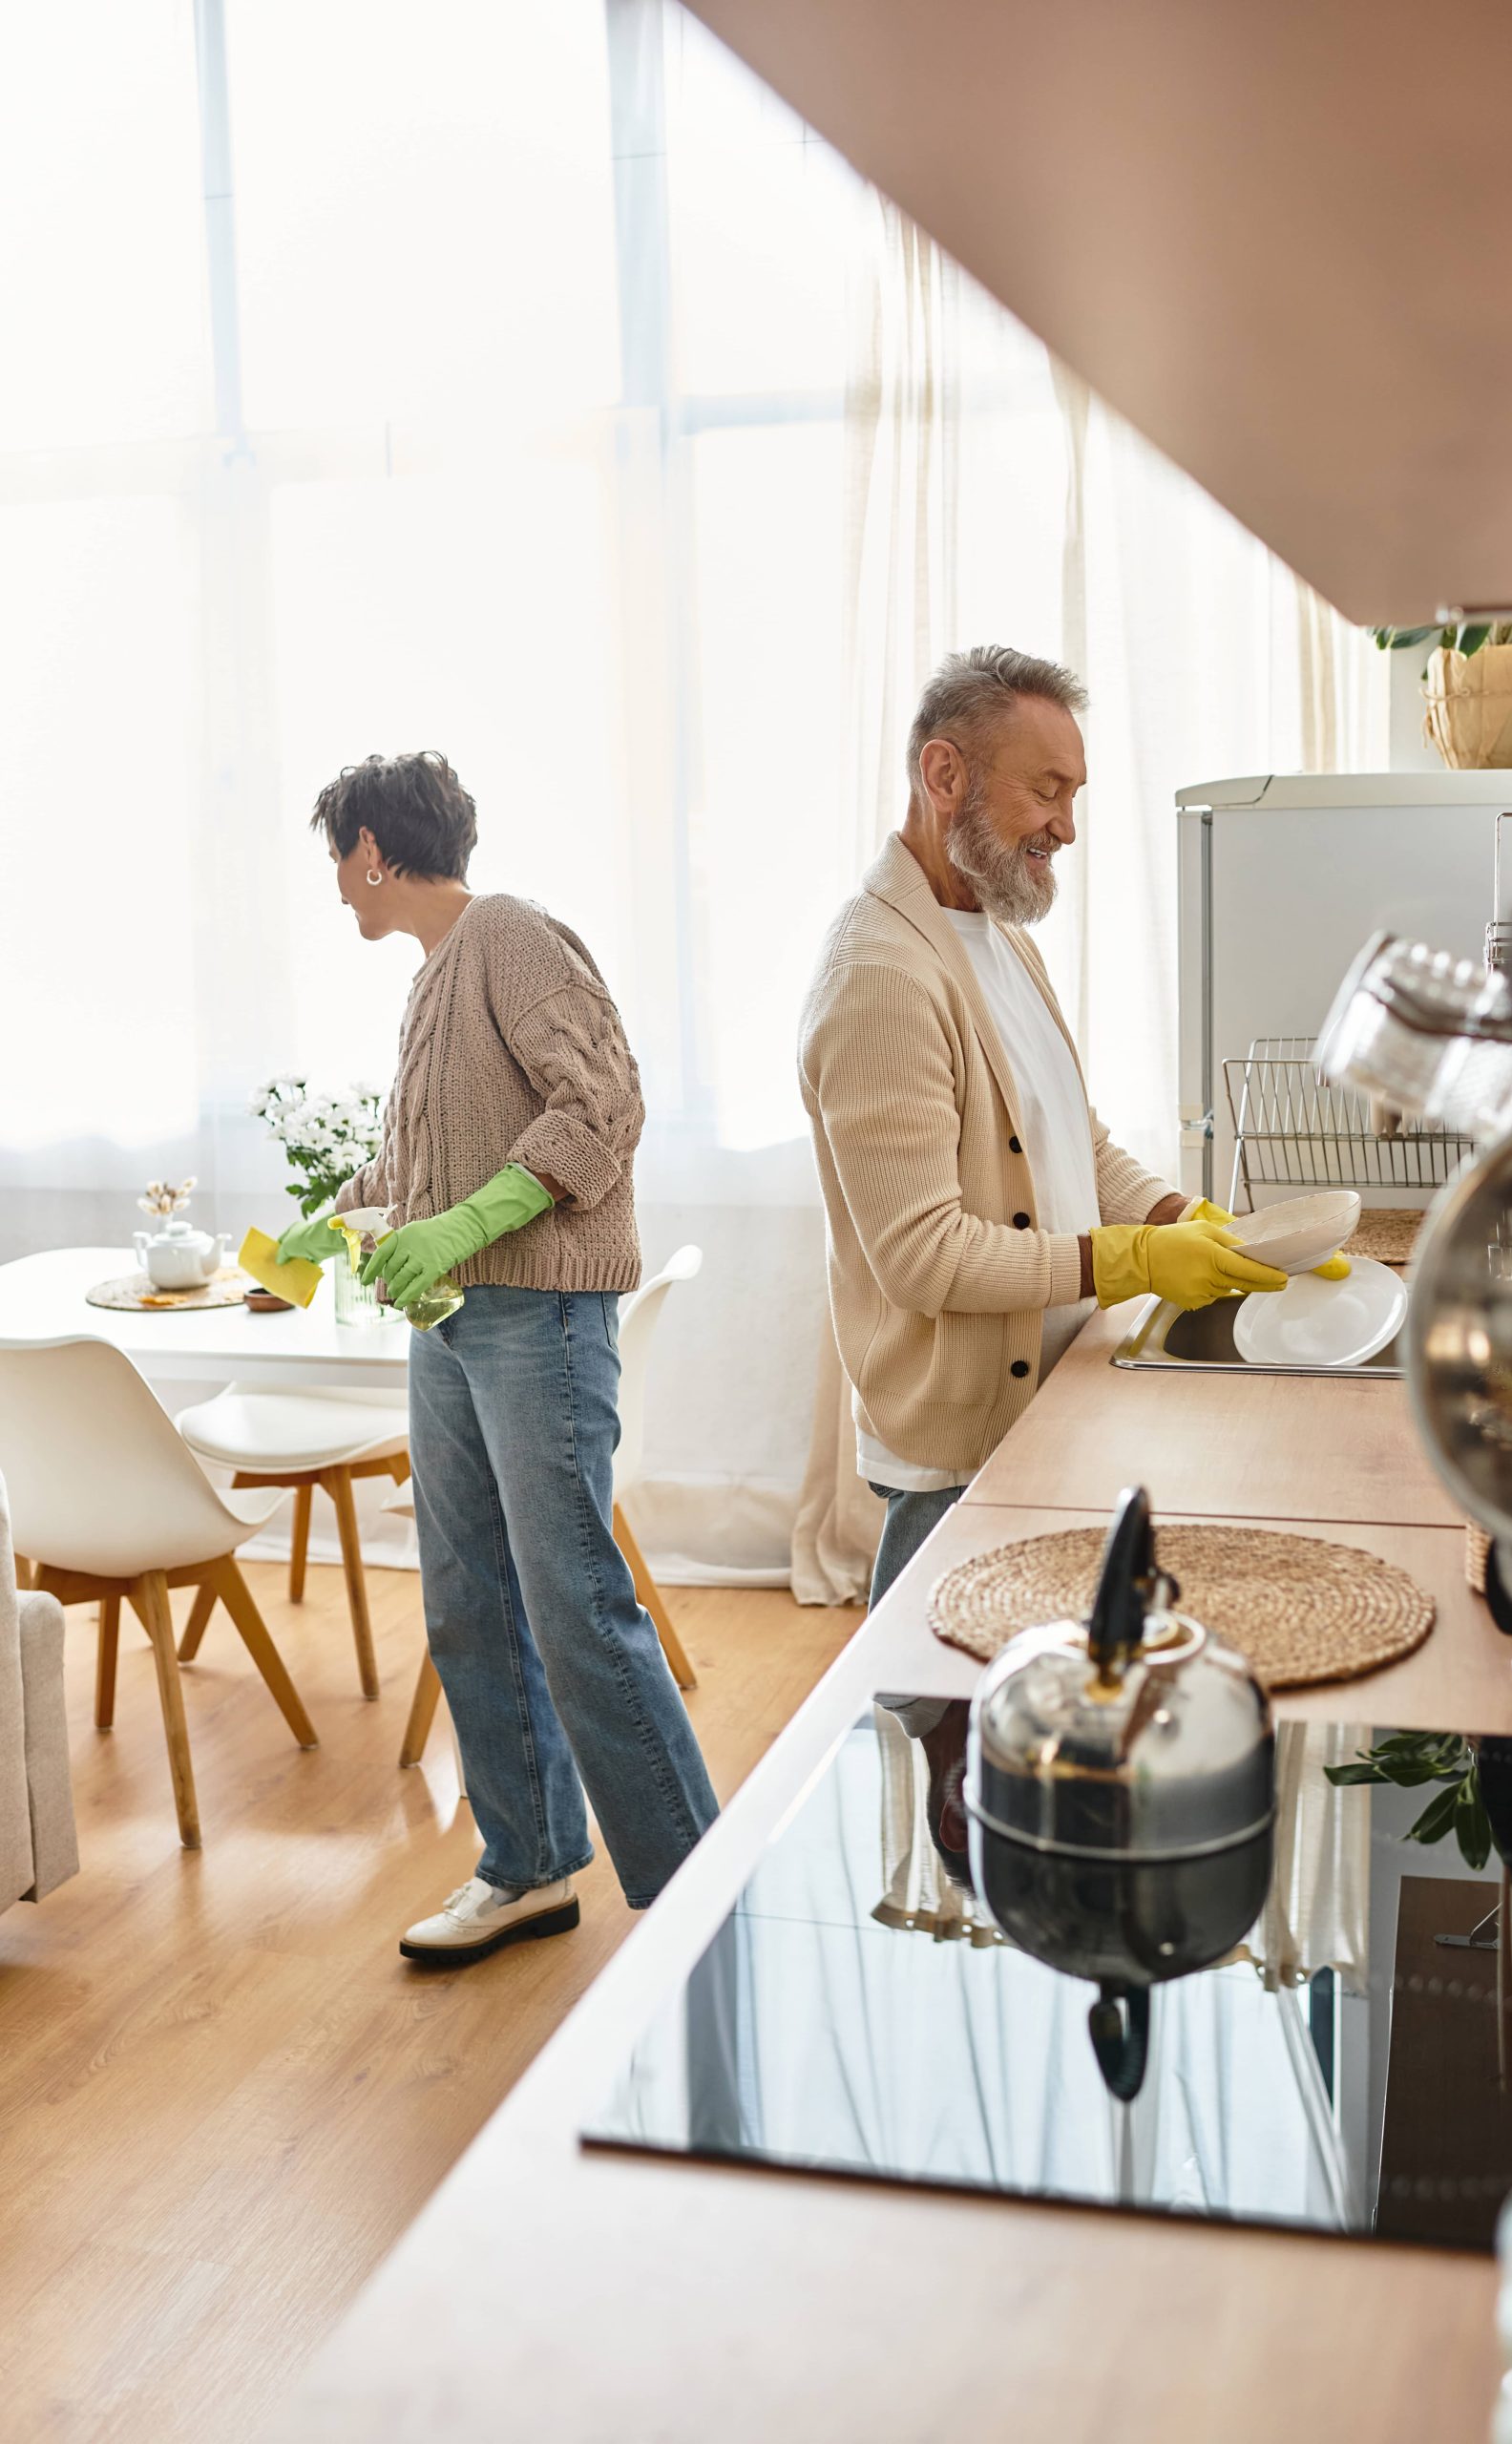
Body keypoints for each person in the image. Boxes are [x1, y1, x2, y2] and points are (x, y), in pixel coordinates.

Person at [280, 751, 718, 1963]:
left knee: (574, 1603)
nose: (336, 885)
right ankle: (526, 1866)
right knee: (468, 1597)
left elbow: (602, 1107)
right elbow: (436, 1164)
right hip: (459, 1329)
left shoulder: (510, 936)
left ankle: (706, 1904)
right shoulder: (429, 981)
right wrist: (348, 1209)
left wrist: (467, 1225)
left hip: (538, 1319)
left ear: (373, 843)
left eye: (337, 856)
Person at [798, 645, 1289, 1612]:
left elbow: (1070, 1135)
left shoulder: (998, 935)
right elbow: (925, 1260)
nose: (1065, 826)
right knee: (934, 1732)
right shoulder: (880, 975)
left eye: (1074, 795)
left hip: (1038, 1415)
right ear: (945, 775)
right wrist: (1135, 1260)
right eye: (1045, 791)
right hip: (956, 1466)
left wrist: (1181, 1213)